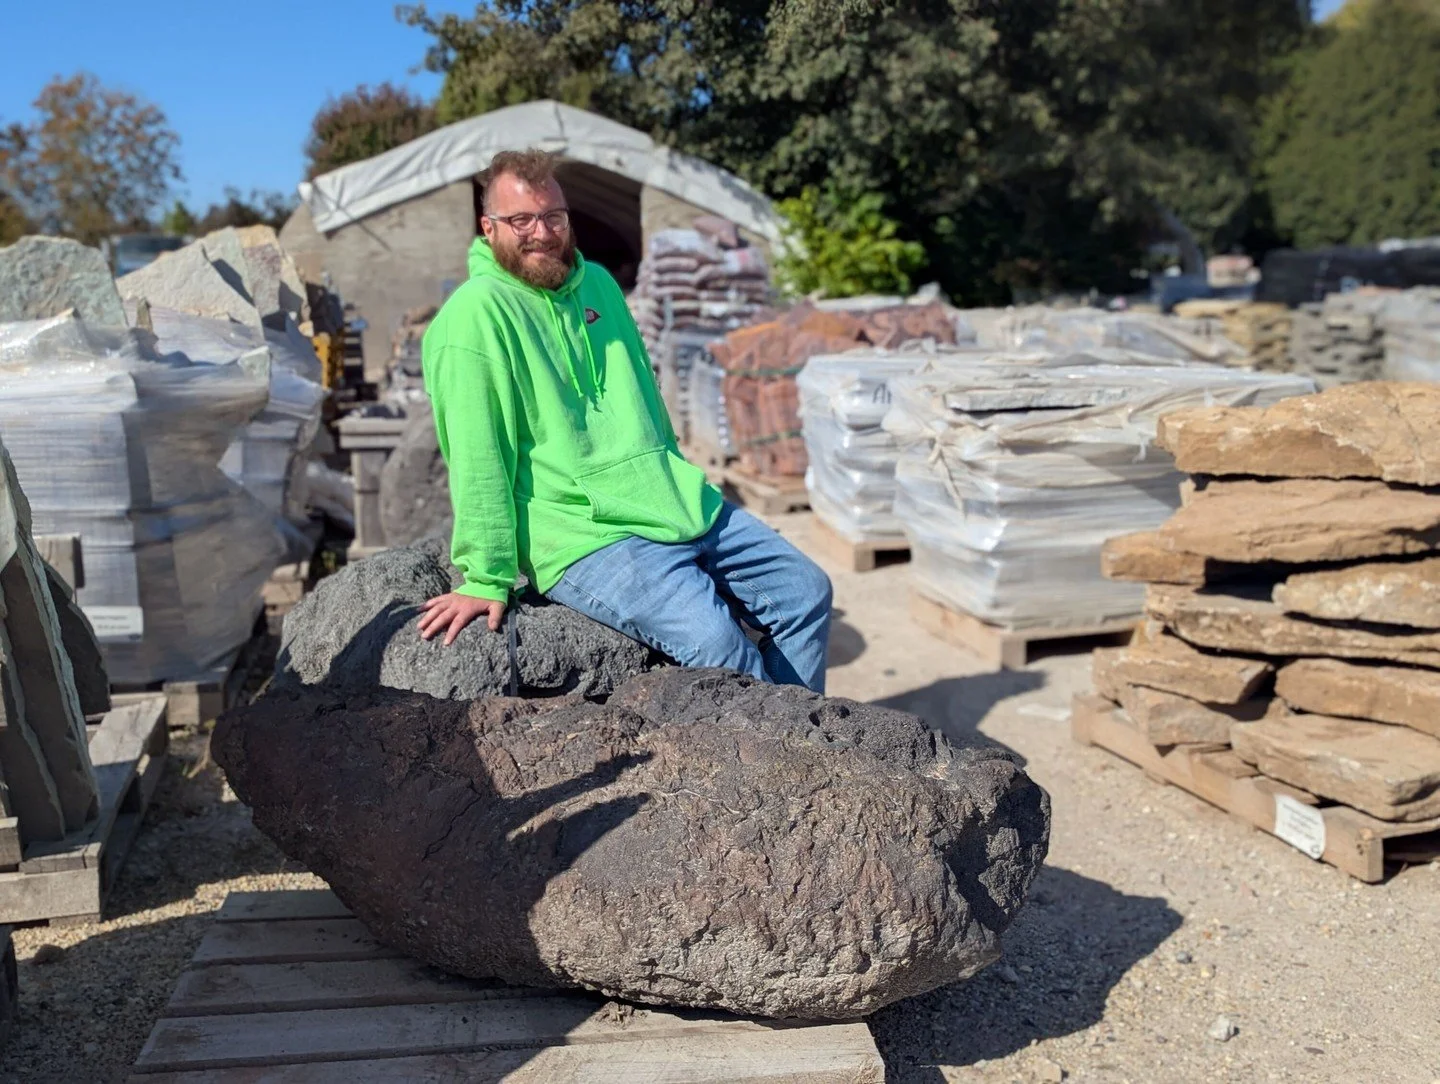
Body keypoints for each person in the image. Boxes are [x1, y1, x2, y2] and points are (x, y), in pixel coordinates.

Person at [415, 149, 833, 692]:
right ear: (489, 227)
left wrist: (676, 477)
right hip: (579, 529)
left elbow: (647, 407)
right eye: (521, 220)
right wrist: (486, 577)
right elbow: (477, 454)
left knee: (806, 591)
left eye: (553, 217)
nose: (541, 233)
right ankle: (785, 759)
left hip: (666, 497)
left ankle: (806, 742)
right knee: (718, 644)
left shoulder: (600, 288)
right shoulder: (474, 316)